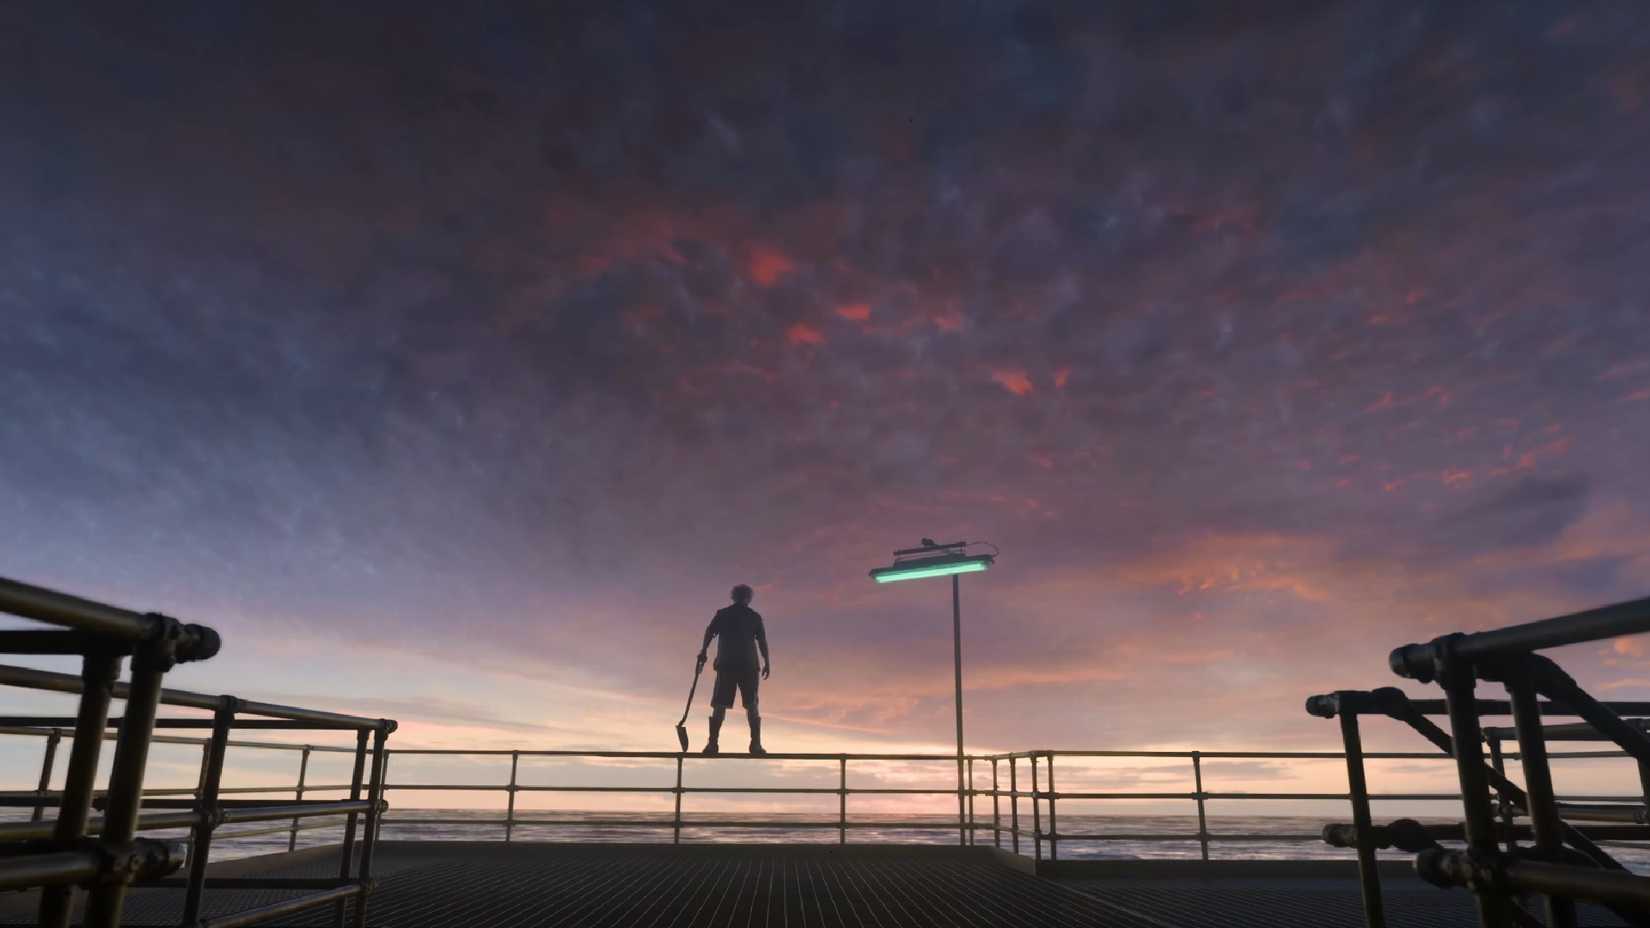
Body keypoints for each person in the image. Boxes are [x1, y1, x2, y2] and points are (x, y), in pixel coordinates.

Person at [697, 583, 770, 755]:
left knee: (721, 704)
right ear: (749, 598)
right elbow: (762, 641)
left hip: (731, 665)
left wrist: (704, 651)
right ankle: (755, 745)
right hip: (743, 665)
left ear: (733, 597)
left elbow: (709, 633)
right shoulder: (752, 616)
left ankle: (713, 744)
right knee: (750, 704)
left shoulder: (725, 614)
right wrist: (767, 661)